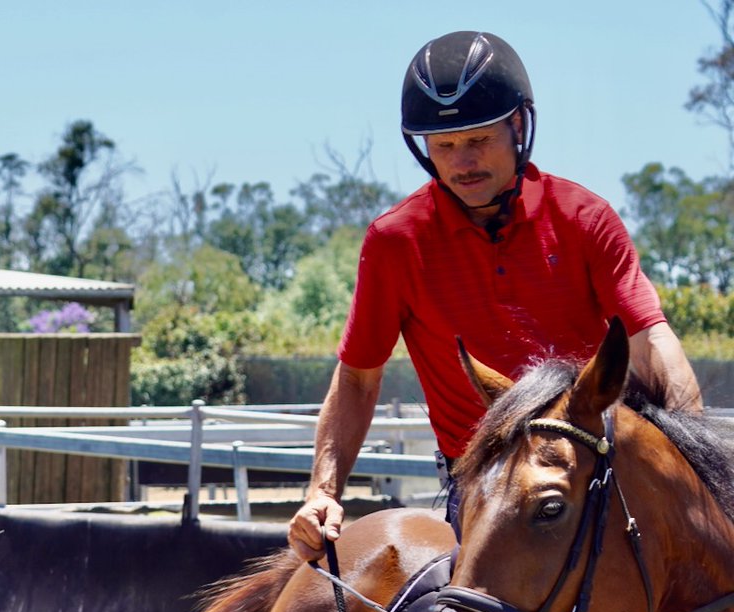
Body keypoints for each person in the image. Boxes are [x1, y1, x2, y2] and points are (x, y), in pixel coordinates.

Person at [288, 30, 703, 562]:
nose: (463, 162)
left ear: (517, 127)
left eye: (479, 139)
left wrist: (690, 459)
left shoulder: (585, 218)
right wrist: (323, 491)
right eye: (445, 146)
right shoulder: (395, 241)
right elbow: (358, 378)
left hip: (592, 466)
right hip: (484, 479)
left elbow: (651, 339)